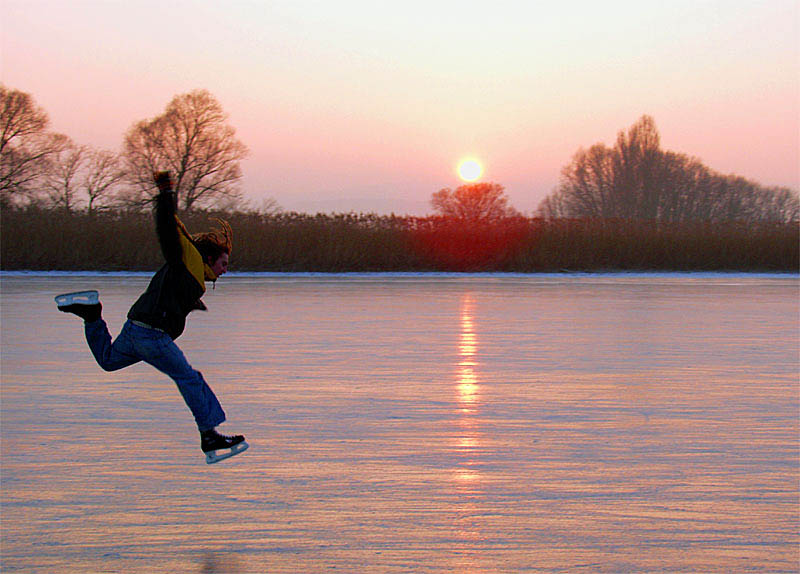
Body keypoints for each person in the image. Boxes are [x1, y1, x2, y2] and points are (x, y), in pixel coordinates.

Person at [55, 171, 248, 464]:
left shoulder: (191, 274)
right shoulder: (190, 260)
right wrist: (166, 193)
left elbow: (173, 293)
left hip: (135, 330)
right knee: (189, 378)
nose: (225, 270)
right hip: (152, 336)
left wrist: (189, 306)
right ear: (209, 258)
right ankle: (209, 434)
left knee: (108, 360)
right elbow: (167, 231)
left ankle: (92, 315)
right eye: (223, 263)